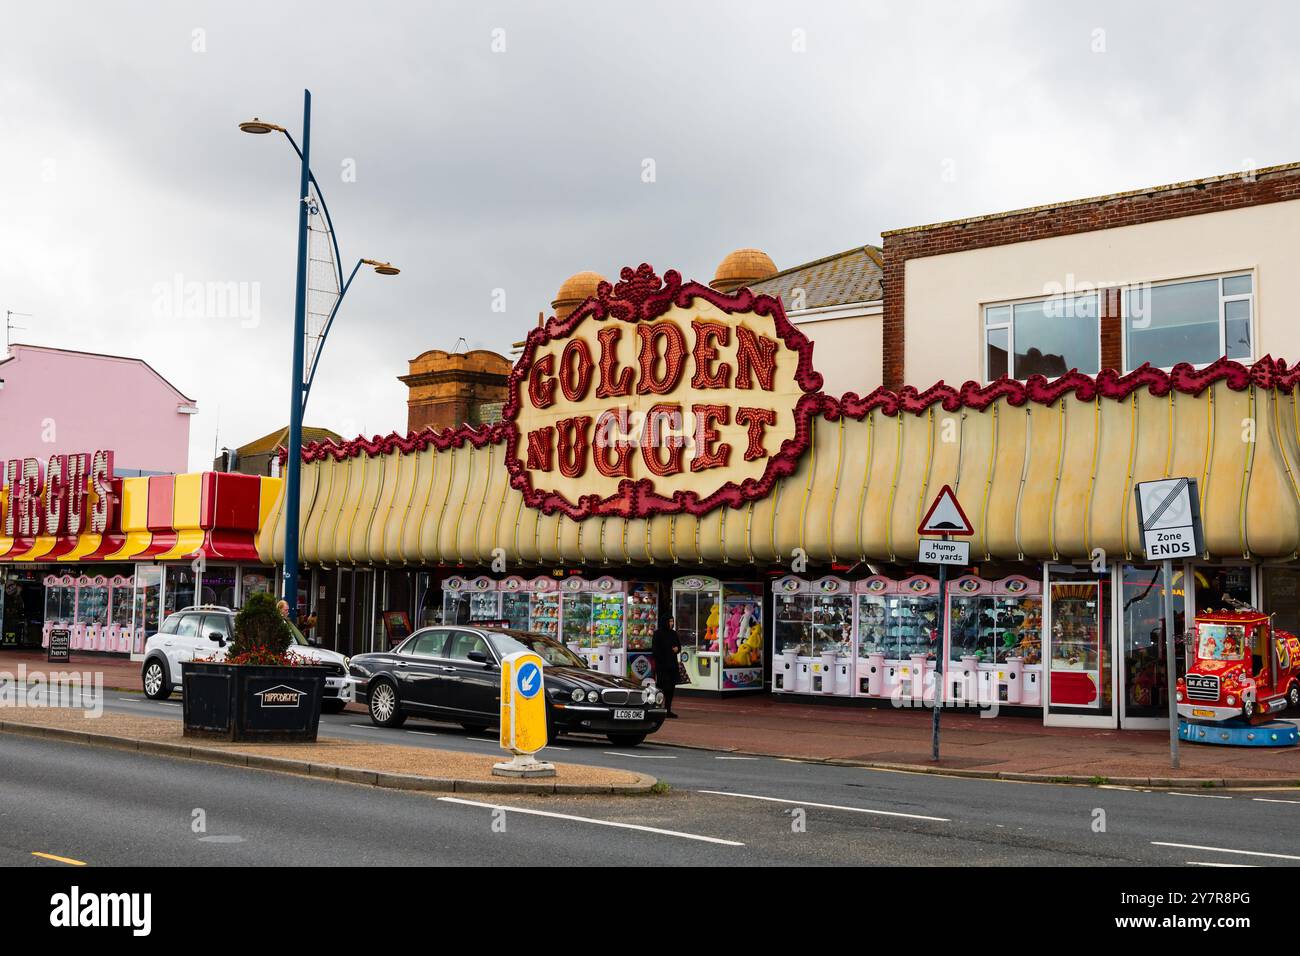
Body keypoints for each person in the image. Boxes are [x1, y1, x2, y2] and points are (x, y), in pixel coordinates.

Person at [652, 616, 682, 719]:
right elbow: (655, 650)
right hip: (662, 666)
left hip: (672, 665)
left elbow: (679, 646)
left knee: (671, 689)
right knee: (662, 687)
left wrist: (677, 649)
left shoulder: (673, 633)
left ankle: (668, 710)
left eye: (672, 621)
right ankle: (658, 708)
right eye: (670, 621)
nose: (671, 623)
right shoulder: (658, 634)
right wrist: (661, 661)